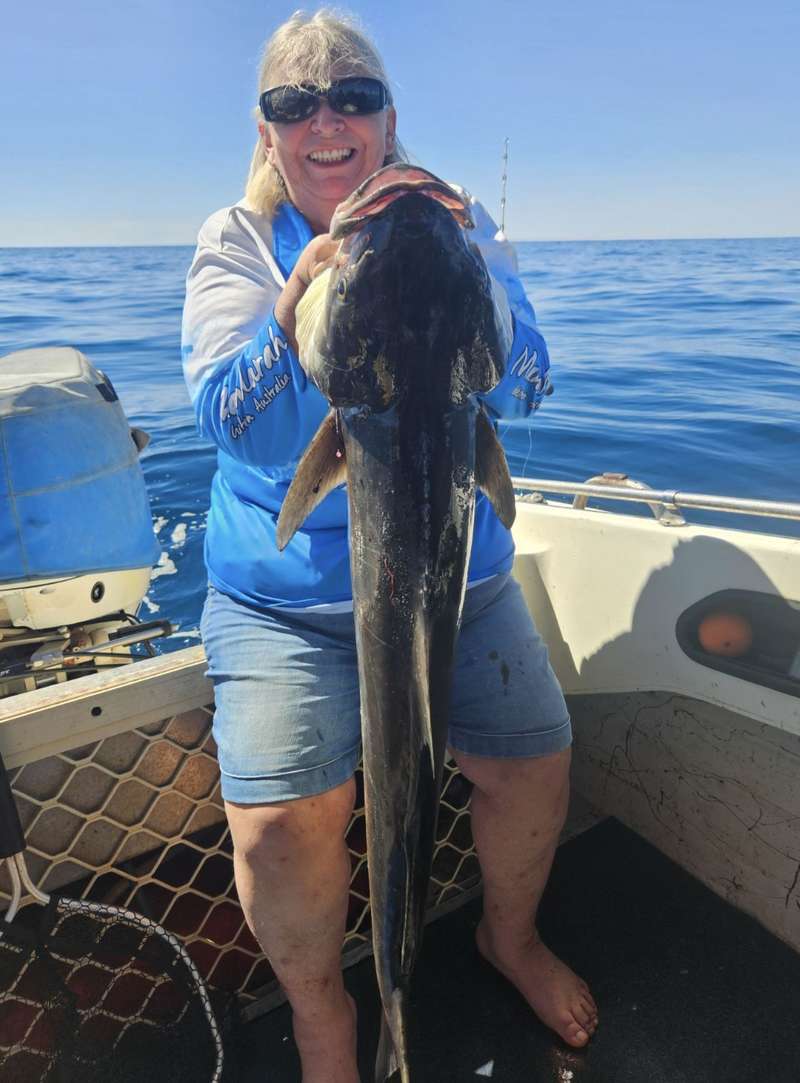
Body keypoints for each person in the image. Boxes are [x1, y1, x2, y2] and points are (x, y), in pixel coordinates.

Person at [181, 10, 598, 1082]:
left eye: (354, 97)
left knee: (534, 755)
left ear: (387, 117)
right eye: (295, 104)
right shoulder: (237, 240)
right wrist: (291, 317)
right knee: (283, 824)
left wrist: (484, 296)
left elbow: (530, 385)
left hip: (458, 576)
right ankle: (326, 1015)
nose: (327, 121)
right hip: (283, 599)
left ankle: (506, 937)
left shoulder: (455, 218)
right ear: (267, 131)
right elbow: (236, 426)